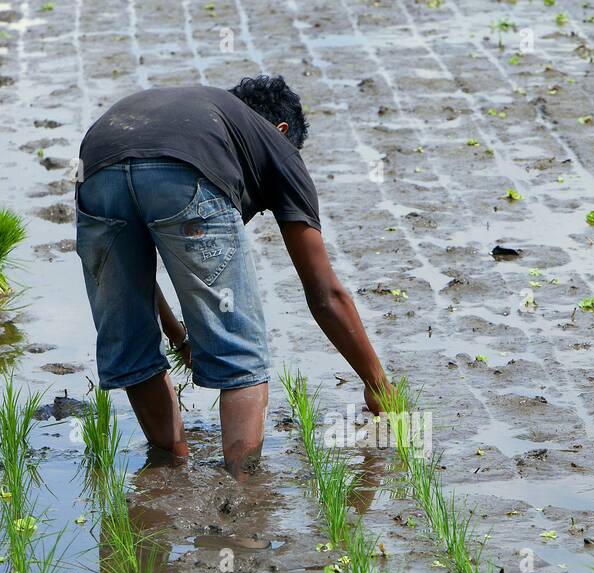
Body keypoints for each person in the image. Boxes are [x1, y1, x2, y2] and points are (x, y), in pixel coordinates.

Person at [75, 75, 389, 477]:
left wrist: (176, 334)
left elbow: (136, 270)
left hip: (98, 159)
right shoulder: (276, 147)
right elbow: (324, 293)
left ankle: (172, 472)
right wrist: (377, 384)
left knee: (132, 348)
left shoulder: (212, 115)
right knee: (240, 357)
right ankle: (243, 489)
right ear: (281, 131)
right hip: (182, 169)